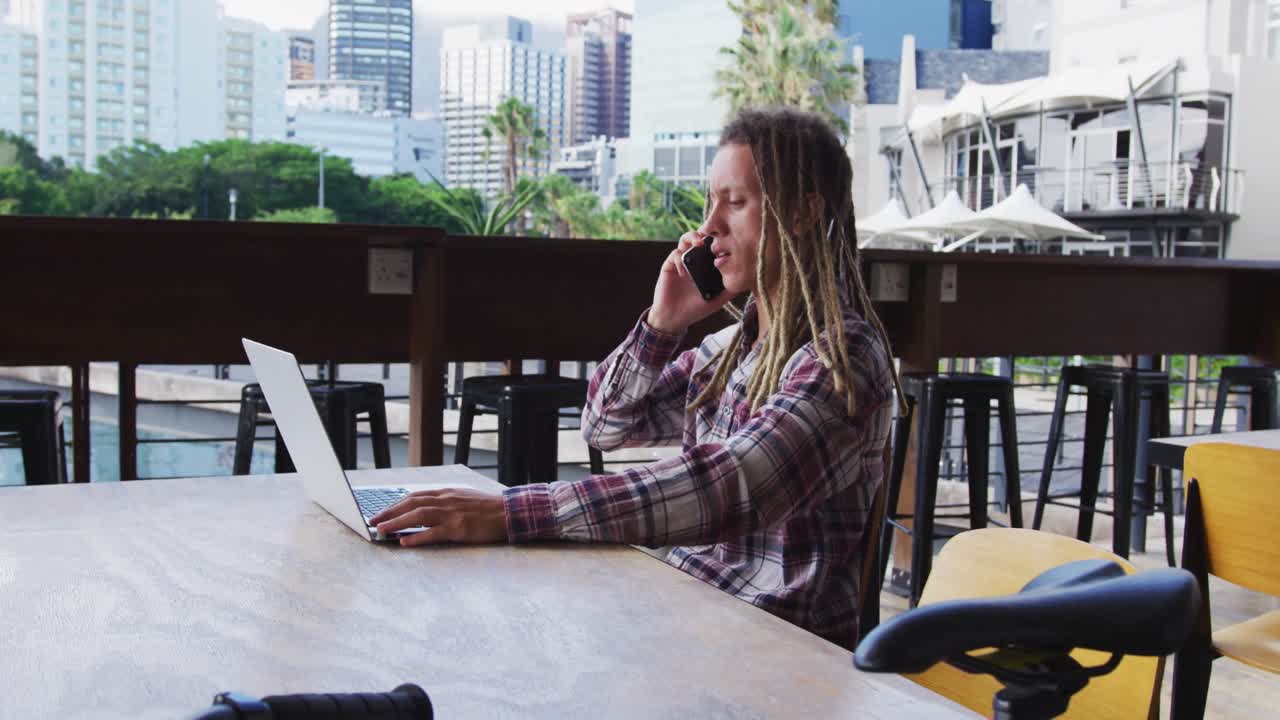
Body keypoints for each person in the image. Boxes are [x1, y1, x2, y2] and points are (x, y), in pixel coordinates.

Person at [371, 106, 903, 649]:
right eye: (710, 203)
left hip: (775, 651)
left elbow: (731, 486)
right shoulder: (728, 351)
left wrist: (511, 512)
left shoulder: (842, 358)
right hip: (688, 617)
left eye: (735, 203)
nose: (708, 227)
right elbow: (604, 425)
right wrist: (662, 324)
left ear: (803, 213)